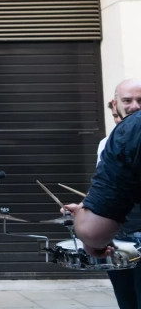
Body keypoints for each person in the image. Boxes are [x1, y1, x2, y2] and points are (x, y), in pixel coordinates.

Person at [66, 79, 141, 309]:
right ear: (114, 103)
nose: (134, 106)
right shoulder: (108, 143)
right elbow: (107, 189)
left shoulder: (127, 134)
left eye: (140, 100)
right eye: (127, 101)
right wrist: (87, 204)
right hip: (123, 236)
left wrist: (86, 224)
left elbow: (93, 231)